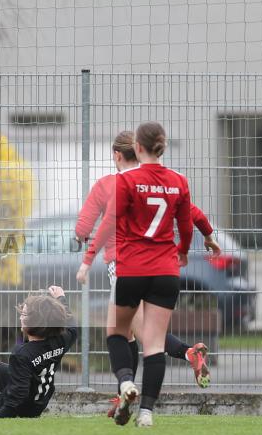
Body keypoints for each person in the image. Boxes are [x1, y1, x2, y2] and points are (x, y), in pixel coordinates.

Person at [74, 131, 220, 391]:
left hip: (124, 266)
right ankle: (127, 390)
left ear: (117, 155)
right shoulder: (158, 182)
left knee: (133, 332)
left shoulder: (109, 185)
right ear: (140, 151)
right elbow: (192, 213)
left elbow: (83, 228)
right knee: (131, 330)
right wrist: (209, 236)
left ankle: (184, 356)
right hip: (158, 266)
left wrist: (84, 242)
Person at [85, 121, 194, 427]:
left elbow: (108, 221)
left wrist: (87, 255)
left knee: (118, 332)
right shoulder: (178, 181)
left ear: (138, 148)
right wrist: (184, 249)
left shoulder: (126, 181)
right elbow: (187, 222)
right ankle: (146, 412)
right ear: (164, 145)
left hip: (129, 267)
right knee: (154, 342)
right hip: (166, 268)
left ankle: (124, 384)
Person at [0, 286, 77, 418]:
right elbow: (73, 327)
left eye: (24, 315)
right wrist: (60, 298)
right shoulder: (61, 339)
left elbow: (16, 400)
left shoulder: (22, 354)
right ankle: (4, 392)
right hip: (34, 394)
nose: (20, 318)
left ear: (34, 323)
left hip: (23, 407)